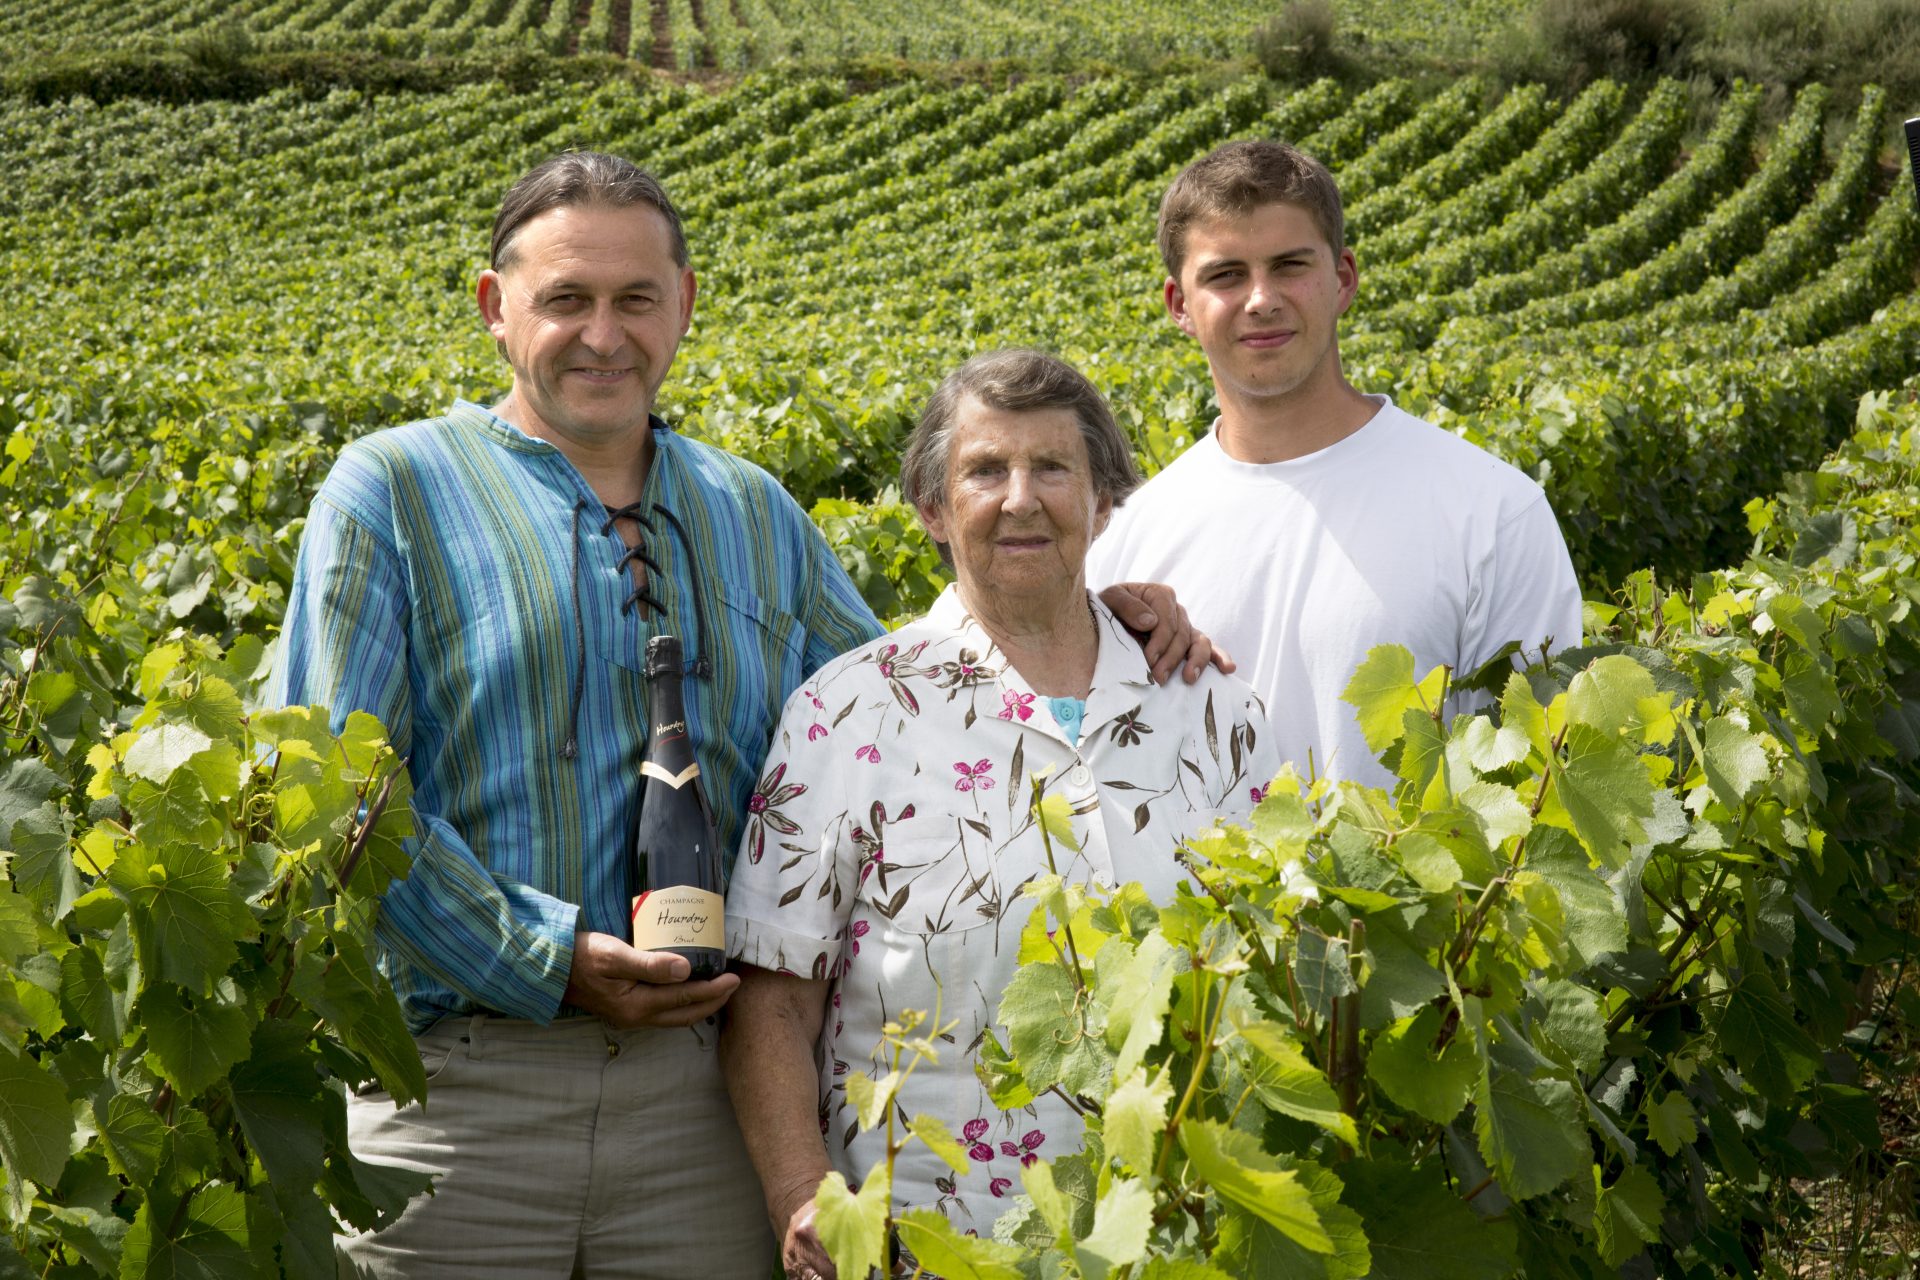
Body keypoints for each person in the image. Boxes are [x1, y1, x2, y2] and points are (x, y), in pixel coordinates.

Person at [278, 153, 1216, 1279]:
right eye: (565, 299)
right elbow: (337, 799)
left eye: (635, 299)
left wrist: (1083, 612)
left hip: (696, 1107)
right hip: (460, 1094)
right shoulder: (391, 492)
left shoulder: (751, 513)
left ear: (684, 304)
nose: (603, 334)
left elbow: (907, 696)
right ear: (494, 307)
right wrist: (547, 955)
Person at [721, 349, 1282, 1279]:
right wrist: (800, 1198)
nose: (1020, 498)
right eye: (985, 470)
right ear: (934, 510)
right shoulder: (850, 711)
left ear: (1105, 501)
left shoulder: (1211, 707)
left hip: (1179, 1232)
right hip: (927, 1246)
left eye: (1053, 468)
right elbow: (773, 996)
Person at [1087, 140, 1584, 788]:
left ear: (1343, 278)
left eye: (1289, 266)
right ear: (1179, 305)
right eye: (1226, 275)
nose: (1261, 299)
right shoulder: (1127, 539)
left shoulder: (1492, 512)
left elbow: (1540, 781)